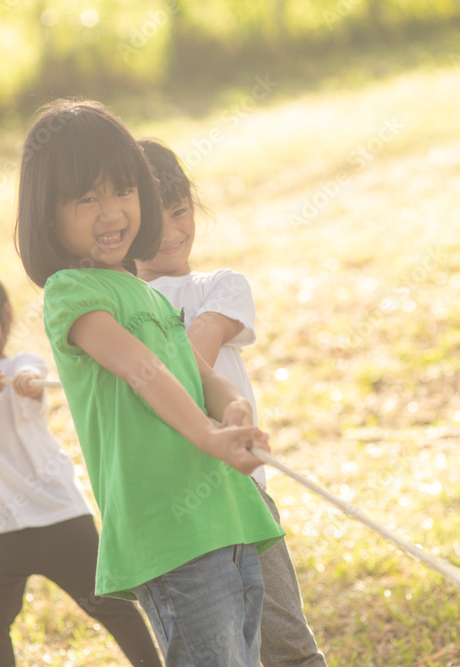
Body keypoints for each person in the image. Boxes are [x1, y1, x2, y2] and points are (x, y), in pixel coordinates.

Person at [14, 99, 285, 666]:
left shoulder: (144, 290)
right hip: (172, 536)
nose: (111, 211)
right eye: (87, 197)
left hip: (227, 518)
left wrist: (234, 409)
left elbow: (198, 373)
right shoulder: (73, 293)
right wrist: (209, 439)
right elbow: (143, 370)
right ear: (47, 213)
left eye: (122, 190)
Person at [135, 138, 327, 667]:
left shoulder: (220, 286)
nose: (173, 232)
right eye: (156, 222)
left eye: (180, 212)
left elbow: (200, 349)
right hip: (178, 516)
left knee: (289, 646)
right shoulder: (118, 306)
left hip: (242, 495)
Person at [0, 269, 162, 667]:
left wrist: (28, 381)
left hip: (58, 517)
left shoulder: (22, 364)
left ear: (4, 314)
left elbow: (36, 376)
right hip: (0, 529)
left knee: (109, 604)